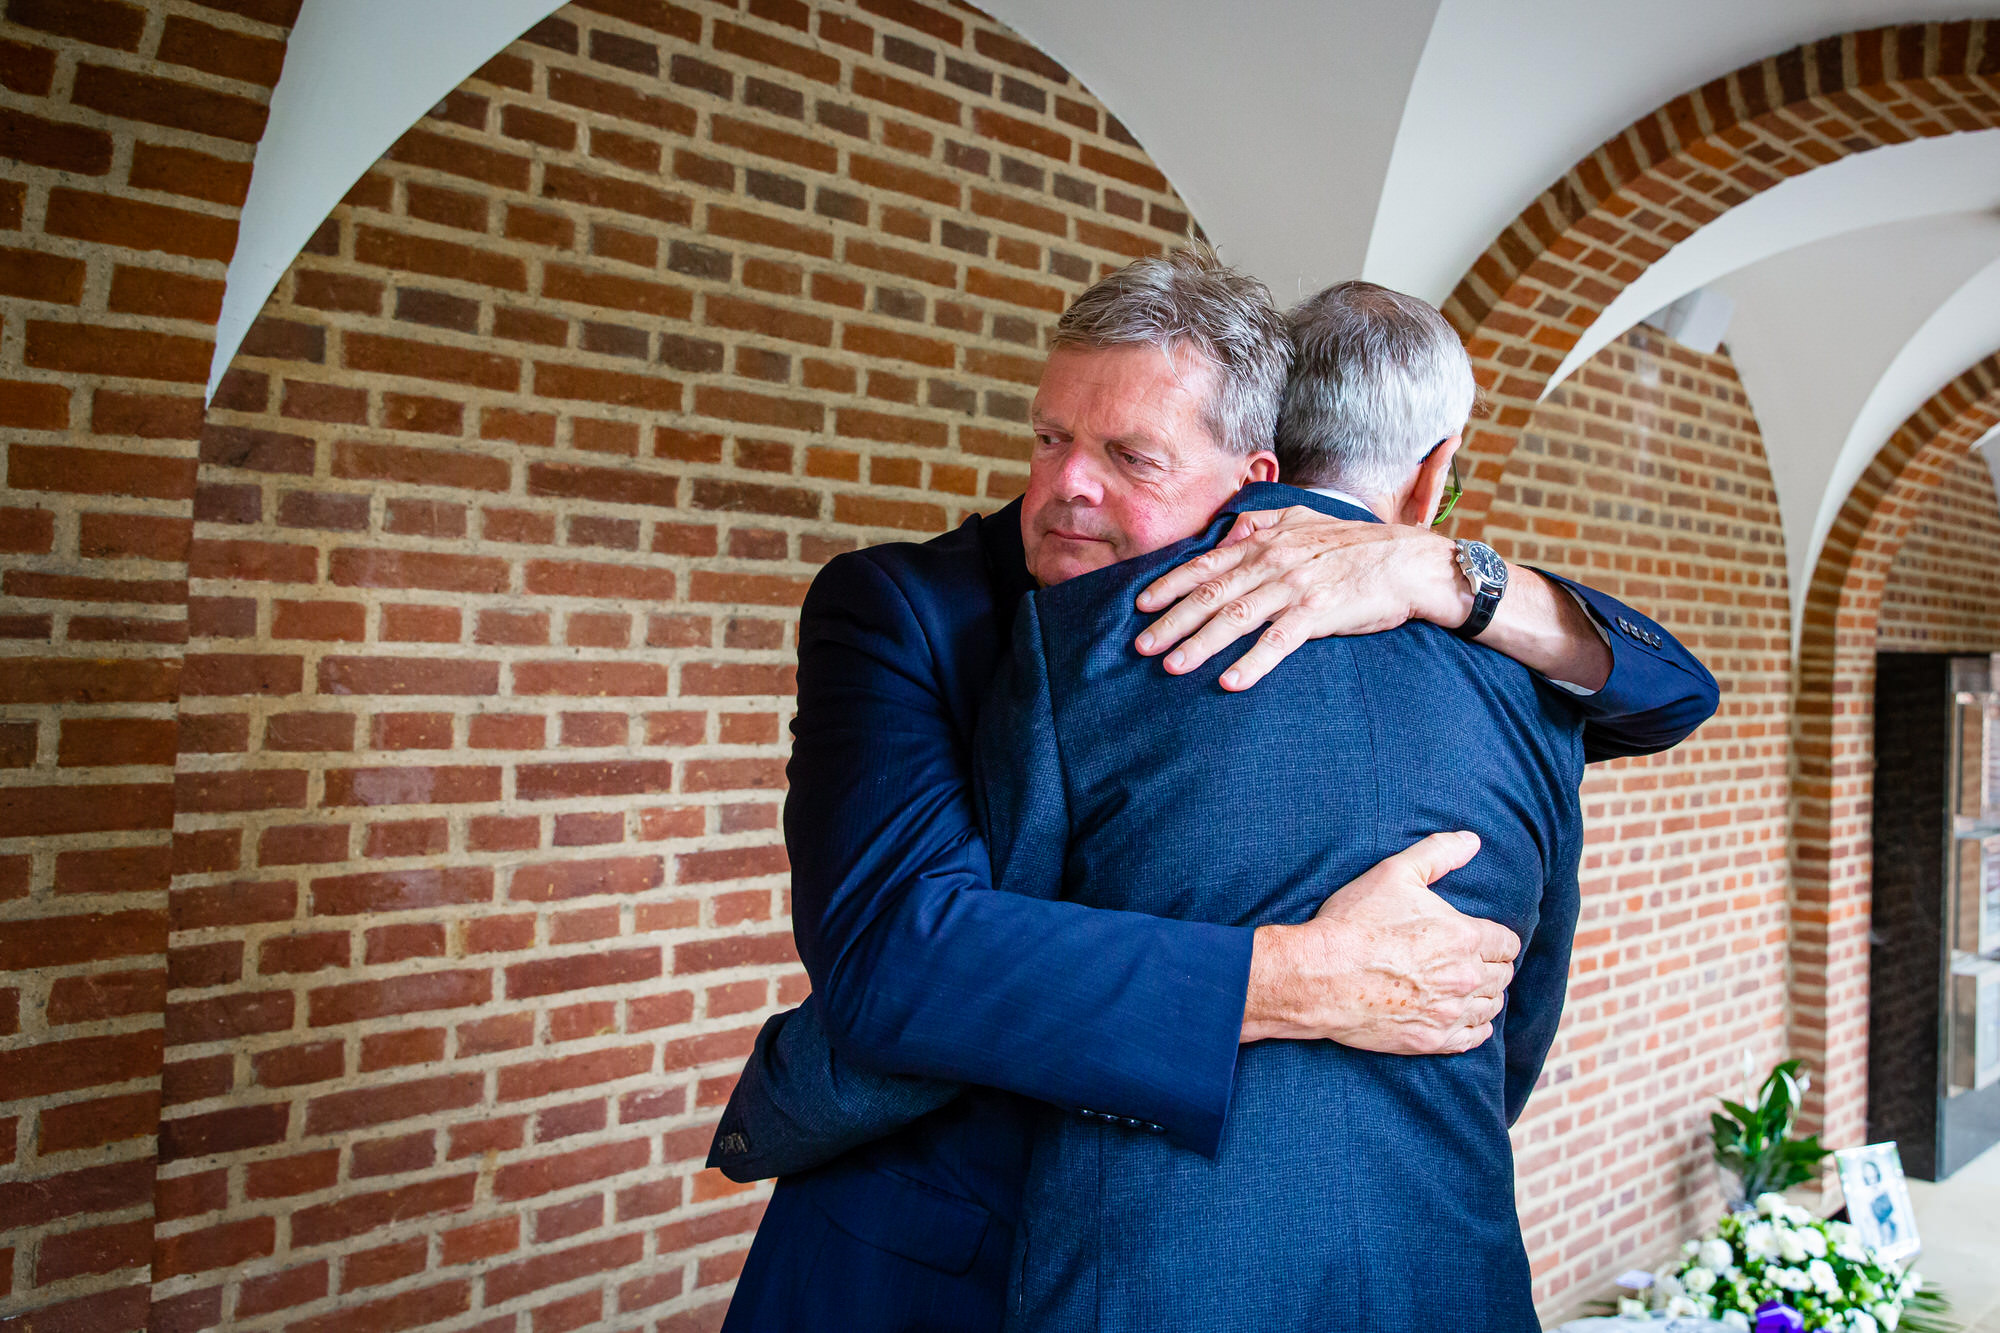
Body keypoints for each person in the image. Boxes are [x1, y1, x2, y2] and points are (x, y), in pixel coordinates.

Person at [714, 251, 1718, 1332]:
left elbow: (1666, 692)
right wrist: (1299, 976)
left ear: (1254, 480)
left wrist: (1432, 569)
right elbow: (899, 956)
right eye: (1048, 438)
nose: (1064, 488)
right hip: (930, 1257)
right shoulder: (903, 607)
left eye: (1129, 456)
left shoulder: (1382, 624)